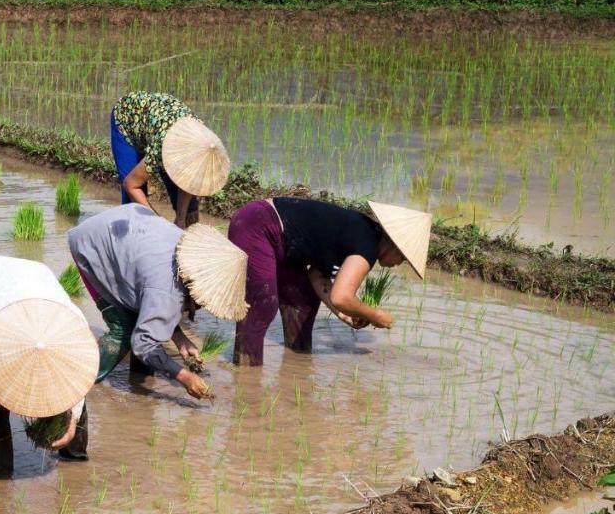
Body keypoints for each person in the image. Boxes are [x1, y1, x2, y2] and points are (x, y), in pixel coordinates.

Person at [67, 203, 249, 401]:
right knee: (124, 330)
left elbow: (157, 297)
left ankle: (130, 380)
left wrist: (179, 338)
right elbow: (142, 344)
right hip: (91, 246)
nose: (202, 305)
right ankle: (76, 384)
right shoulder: (166, 289)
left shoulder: (185, 252)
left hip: (120, 232)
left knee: (142, 313)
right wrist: (184, 376)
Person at [226, 198, 432, 366]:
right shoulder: (366, 248)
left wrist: (345, 314)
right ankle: (247, 375)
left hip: (285, 244)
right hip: (258, 224)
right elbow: (341, 296)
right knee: (262, 304)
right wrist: (374, 314)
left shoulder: (363, 234)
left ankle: (297, 365)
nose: (399, 264)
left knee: (303, 302)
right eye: (403, 258)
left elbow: (318, 275)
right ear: (394, 246)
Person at [0, 256, 98, 470]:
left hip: (37, 278)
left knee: (66, 389)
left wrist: (71, 427)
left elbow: (77, 383)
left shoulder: (73, 330)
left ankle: (74, 457)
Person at [110, 91, 230, 228]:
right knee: (133, 204)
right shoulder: (162, 149)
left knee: (190, 210)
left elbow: (189, 181)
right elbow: (131, 185)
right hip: (127, 117)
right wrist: (160, 225)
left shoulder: (202, 140)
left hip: (158, 122)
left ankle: (186, 238)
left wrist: (181, 218)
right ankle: (133, 243)